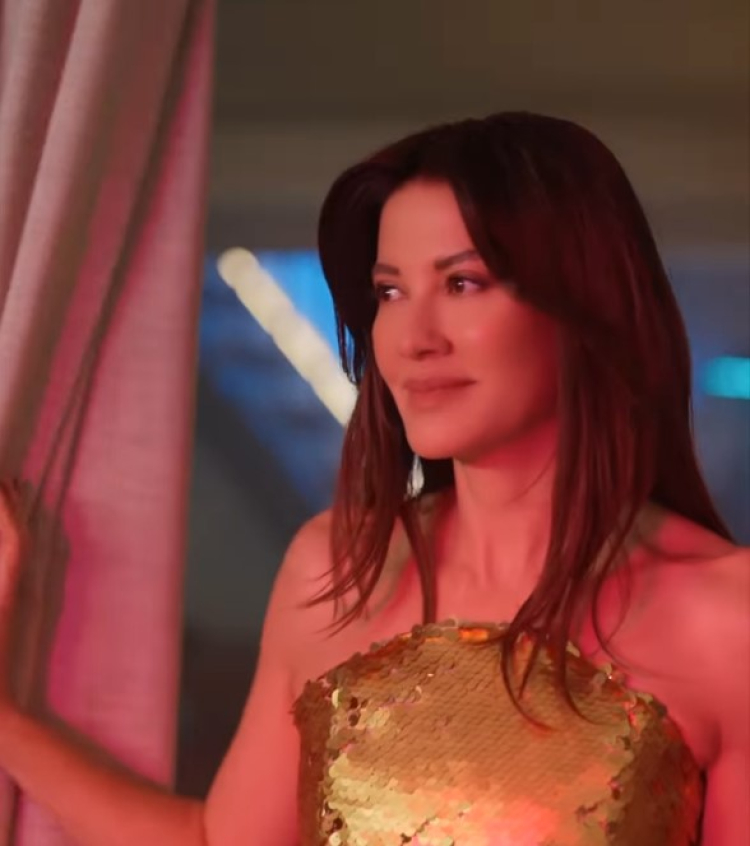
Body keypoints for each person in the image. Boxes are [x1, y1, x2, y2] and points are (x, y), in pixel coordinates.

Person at [0, 112, 748, 845]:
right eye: (390, 292)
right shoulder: (334, 572)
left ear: (585, 305)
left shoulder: (724, 619)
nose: (413, 339)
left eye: (463, 283)